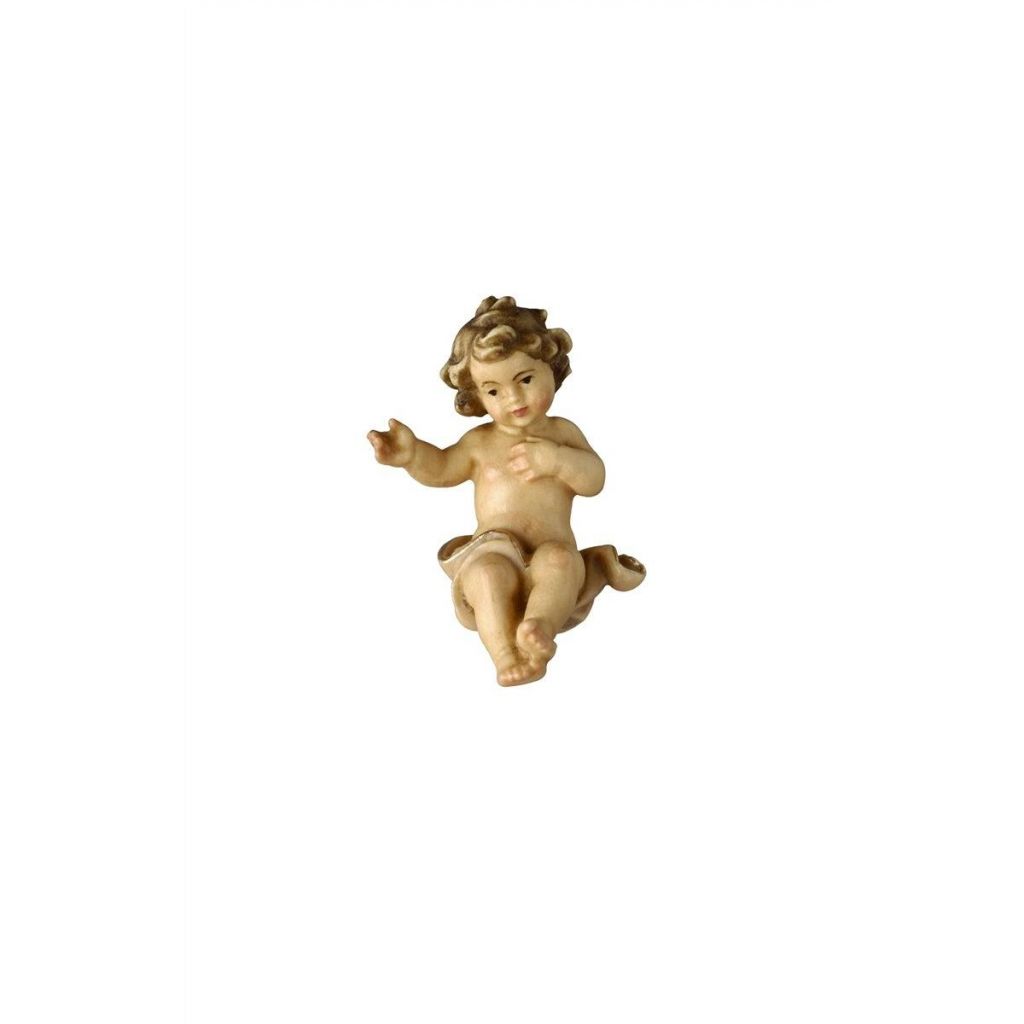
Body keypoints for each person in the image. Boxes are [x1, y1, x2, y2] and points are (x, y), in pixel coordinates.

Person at [368, 296, 644, 686]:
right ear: (477, 395)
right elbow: (442, 468)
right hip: (493, 551)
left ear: (551, 368)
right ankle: (505, 655)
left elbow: (594, 480)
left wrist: (558, 460)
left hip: (551, 549)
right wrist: (412, 456)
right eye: (493, 391)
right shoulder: (479, 443)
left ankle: (539, 627)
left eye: (525, 380)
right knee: (486, 575)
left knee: (561, 563)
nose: (513, 399)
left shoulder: (562, 434)